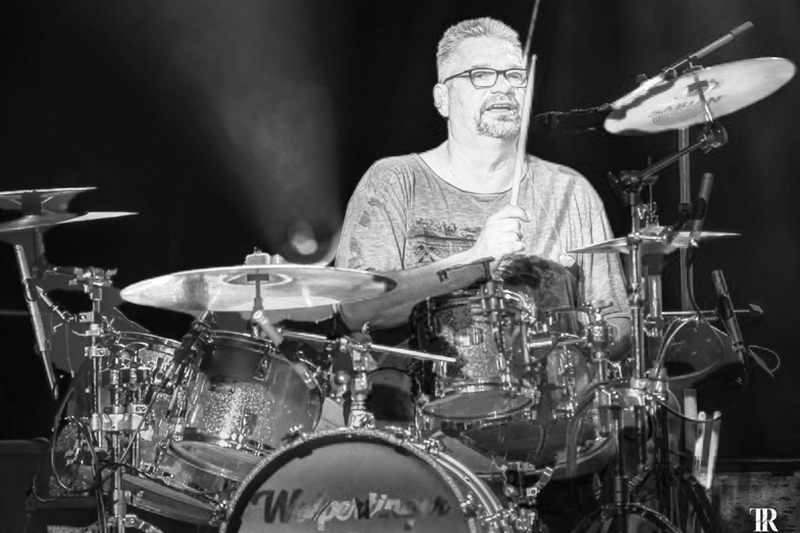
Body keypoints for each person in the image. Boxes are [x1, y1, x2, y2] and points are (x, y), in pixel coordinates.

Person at [335, 16, 629, 350]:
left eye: (515, 76)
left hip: (548, 382)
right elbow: (355, 309)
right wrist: (476, 261)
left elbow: (616, 321)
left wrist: (584, 340)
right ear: (442, 99)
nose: (503, 87)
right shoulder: (393, 181)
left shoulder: (571, 191)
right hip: (418, 381)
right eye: (481, 75)